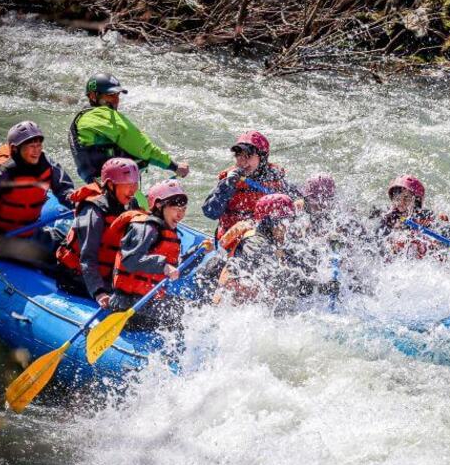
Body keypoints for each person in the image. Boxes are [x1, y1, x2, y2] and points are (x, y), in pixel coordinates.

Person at [0, 121, 74, 268]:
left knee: (74, 250)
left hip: (33, 231)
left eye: (39, 146)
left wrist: (78, 203)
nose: (36, 151)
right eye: (31, 146)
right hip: (6, 239)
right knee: (58, 264)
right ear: (15, 149)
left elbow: (65, 190)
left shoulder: (47, 165)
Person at [68, 72, 190, 184]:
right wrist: (174, 166)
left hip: (99, 185)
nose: (116, 100)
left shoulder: (82, 118)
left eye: (117, 95)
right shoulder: (103, 115)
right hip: (118, 186)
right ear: (93, 96)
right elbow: (142, 148)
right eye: (110, 95)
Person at [55, 157, 142, 306]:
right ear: (110, 184)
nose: (133, 190)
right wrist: (99, 291)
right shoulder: (93, 212)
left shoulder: (130, 204)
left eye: (135, 183)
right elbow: (87, 258)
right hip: (76, 276)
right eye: (128, 184)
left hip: (107, 274)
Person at [213, 193, 321, 309]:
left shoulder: (269, 238)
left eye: (290, 220)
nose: (288, 226)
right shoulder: (254, 243)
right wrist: (315, 287)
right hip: (230, 307)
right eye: (284, 221)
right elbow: (274, 275)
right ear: (268, 222)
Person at [109, 179, 191, 329]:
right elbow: (130, 260)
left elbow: (175, 267)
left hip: (146, 301)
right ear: (159, 205)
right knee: (184, 315)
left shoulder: (167, 231)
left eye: (183, 209)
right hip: (127, 305)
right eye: (176, 208)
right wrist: (163, 266)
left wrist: (198, 252)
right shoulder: (147, 228)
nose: (180, 215)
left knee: (190, 308)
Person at [202, 130, 300, 240]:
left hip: (267, 235)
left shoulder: (275, 177)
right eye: (239, 156)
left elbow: (298, 200)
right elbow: (210, 213)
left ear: (262, 158)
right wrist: (227, 185)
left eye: (248, 156)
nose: (242, 161)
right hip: (234, 240)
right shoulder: (229, 180)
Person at [376, 174, 450, 260]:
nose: (401, 203)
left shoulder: (427, 219)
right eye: (397, 198)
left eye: (406, 198)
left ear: (416, 201)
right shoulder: (388, 219)